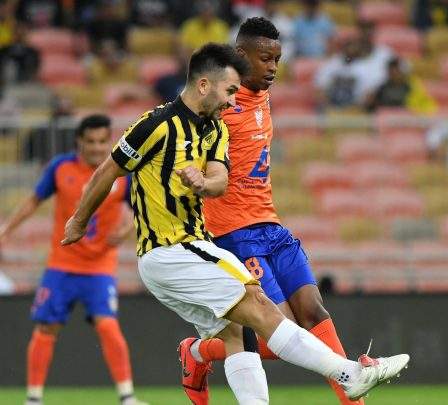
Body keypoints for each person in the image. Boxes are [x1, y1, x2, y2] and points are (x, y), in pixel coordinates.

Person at [61, 42, 409, 405]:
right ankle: (349, 373)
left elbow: (219, 181)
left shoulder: (215, 130)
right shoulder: (155, 125)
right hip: (171, 250)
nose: (231, 101)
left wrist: (202, 183)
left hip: (187, 250)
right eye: (229, 91)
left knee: (237, 334)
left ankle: (214, 368)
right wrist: (78, 221)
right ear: (203, 85)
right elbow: (108, 170)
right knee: (259, 303)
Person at [176, 18, 368, 405]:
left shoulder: (262, 94)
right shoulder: (219, 109)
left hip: (272, 226)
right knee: (279, 338)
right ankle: (197, 351)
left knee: (314, 314)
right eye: (265, 59)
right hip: (234, 233)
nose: (273, 68)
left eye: (278, 59)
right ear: (240, 56)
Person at [0, 115, 144, 405]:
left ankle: (127, 396)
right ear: (79, 141)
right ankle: (33, 398)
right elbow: (34, 200)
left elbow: (140, 209)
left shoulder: (120, 173)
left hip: (100, 266)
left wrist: (127, 229)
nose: (97, 148)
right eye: (90, 141)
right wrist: (6, 230)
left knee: (107, 325)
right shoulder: (61, 167)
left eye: (102, 141)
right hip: (62, 264)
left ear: (109, 141)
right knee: (46, 328)